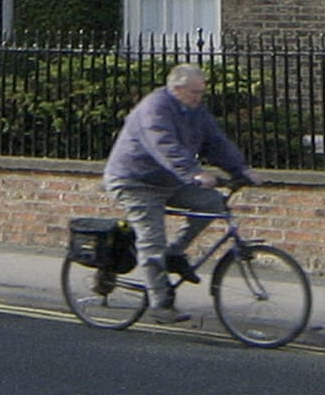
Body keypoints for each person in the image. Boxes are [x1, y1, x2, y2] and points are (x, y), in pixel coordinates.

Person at [103, 63, 254, 321]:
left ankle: (174, 253)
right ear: (177, 88)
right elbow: (164, 145)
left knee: (213, 203)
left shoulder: (195, 110)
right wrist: (194, 173)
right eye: (194, 92)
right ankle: (160, 303)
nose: (199, 97)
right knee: (152, 240)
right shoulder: (154, 108)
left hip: (170, 181)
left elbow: (215, 141)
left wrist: (240, 169)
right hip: (135, 182)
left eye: (201, 92)